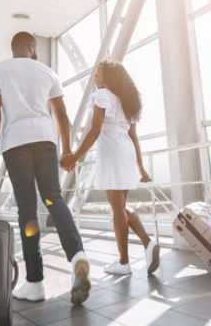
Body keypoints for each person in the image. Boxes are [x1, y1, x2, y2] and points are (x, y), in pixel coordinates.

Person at [0, 32, 91, 305]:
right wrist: (67, 151)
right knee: (53, 198)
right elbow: (61, 114)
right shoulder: (48, 72)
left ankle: (36, 283)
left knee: (27, 209)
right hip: (45, 140)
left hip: (16, 143)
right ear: (30, 46)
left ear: (13, 47)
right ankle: (77, 255)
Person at [61, 60, 160, 275]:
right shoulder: (127, 101)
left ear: (109, 78)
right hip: (125, 152)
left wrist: (74, 157)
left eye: (98, 73)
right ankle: (147, 243)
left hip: (113, 152)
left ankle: (124, 262)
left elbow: (95, 130)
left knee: (117, 209)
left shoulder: (103, 95)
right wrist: (140, 168)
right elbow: (133, 137)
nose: (95, 77)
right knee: (121, 207)